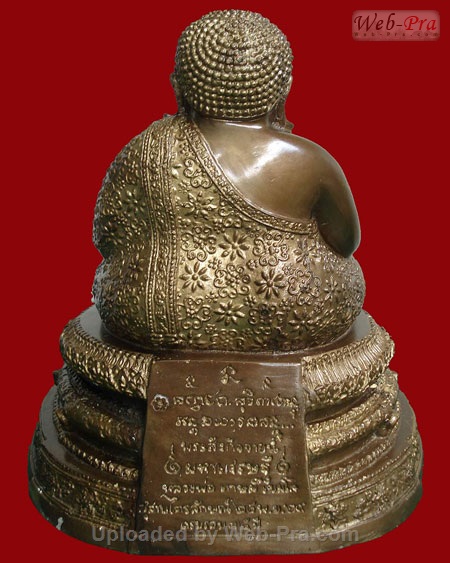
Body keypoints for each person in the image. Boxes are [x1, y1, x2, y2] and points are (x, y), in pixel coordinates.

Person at [92, 10, 365, 352]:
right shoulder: (310, 160)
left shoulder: (147, 149)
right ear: (285, 88)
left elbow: (106, 236)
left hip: (156, 320)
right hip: (291, 316)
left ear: (178, 85)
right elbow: (346, 242)